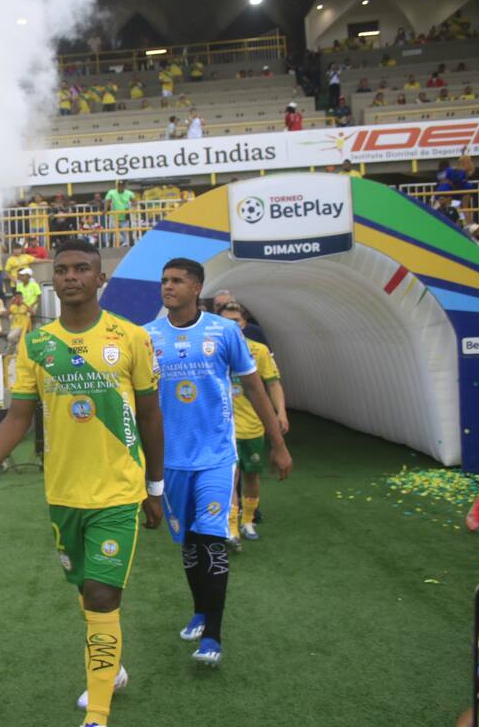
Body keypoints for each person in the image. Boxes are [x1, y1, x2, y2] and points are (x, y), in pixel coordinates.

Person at [0, 238, 164, 727]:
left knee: (100, 593)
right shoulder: (37, 344)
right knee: (85, 590)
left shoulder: (130, 337)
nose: (71, 276)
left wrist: (154, 489)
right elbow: (17, 419)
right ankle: (110, 666)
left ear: (99, 278)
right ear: (55, 281)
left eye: (82, 269)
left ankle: (97, 712)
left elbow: (151, 418)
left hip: (118, 490)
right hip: (63, 494)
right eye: (64, 270)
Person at [143, 258, 293, 666]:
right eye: (164, 280)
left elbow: (255, 388)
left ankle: (213, 635)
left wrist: (277, 443)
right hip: (170, 461)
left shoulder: (224, 332)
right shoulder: (146, 337)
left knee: (211, 541)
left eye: (176, 281)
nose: (167, 287)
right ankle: (199, 610)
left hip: (216, 456)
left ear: (197, 287)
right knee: (189, 546)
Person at [217, 303, 288, 544]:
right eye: (226, 320)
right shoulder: (211, 350)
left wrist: (281, 413)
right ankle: (231, 527)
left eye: (236, 320)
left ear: (244, 323)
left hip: (253, 427)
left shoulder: (258, 351)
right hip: (224, 429)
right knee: (230, 478)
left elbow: (273, 383)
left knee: (251, 477)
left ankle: (248, 521)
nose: (232, 324)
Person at [104, 180, 137, 247]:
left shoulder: (129, 193)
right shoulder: (111, 192)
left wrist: (133, 206)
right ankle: (114, 244)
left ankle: (125, 244)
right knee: (112, 230)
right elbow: (108, 201)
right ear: (117, 186)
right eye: (119, 185)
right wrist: (105, 210)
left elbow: (134, 202)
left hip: (125, 216)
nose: (121, 186)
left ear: (124, 186)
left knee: (125, 231)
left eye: (122, 185)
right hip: (114, 216)